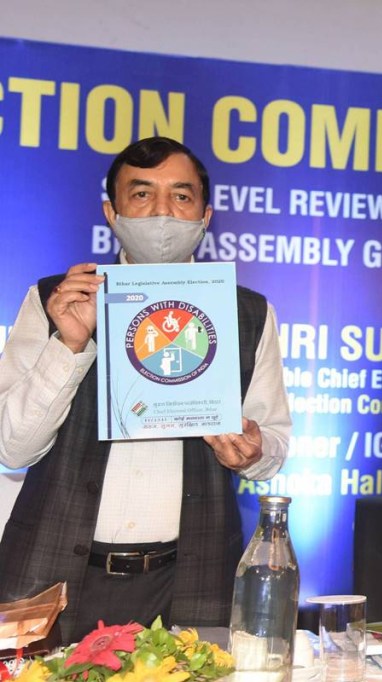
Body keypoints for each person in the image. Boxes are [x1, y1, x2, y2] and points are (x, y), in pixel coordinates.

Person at [0, 137, 291, 643]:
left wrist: (252, 451)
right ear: (111, 213)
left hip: (187, 580)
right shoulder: (55, 299)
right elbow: (13, 447)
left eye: (181, 196)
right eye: (141, 195)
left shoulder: (247, 313)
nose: (162, 214)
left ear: (205, 216)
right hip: (57, 574)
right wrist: (69, 344)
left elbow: (273, 444)